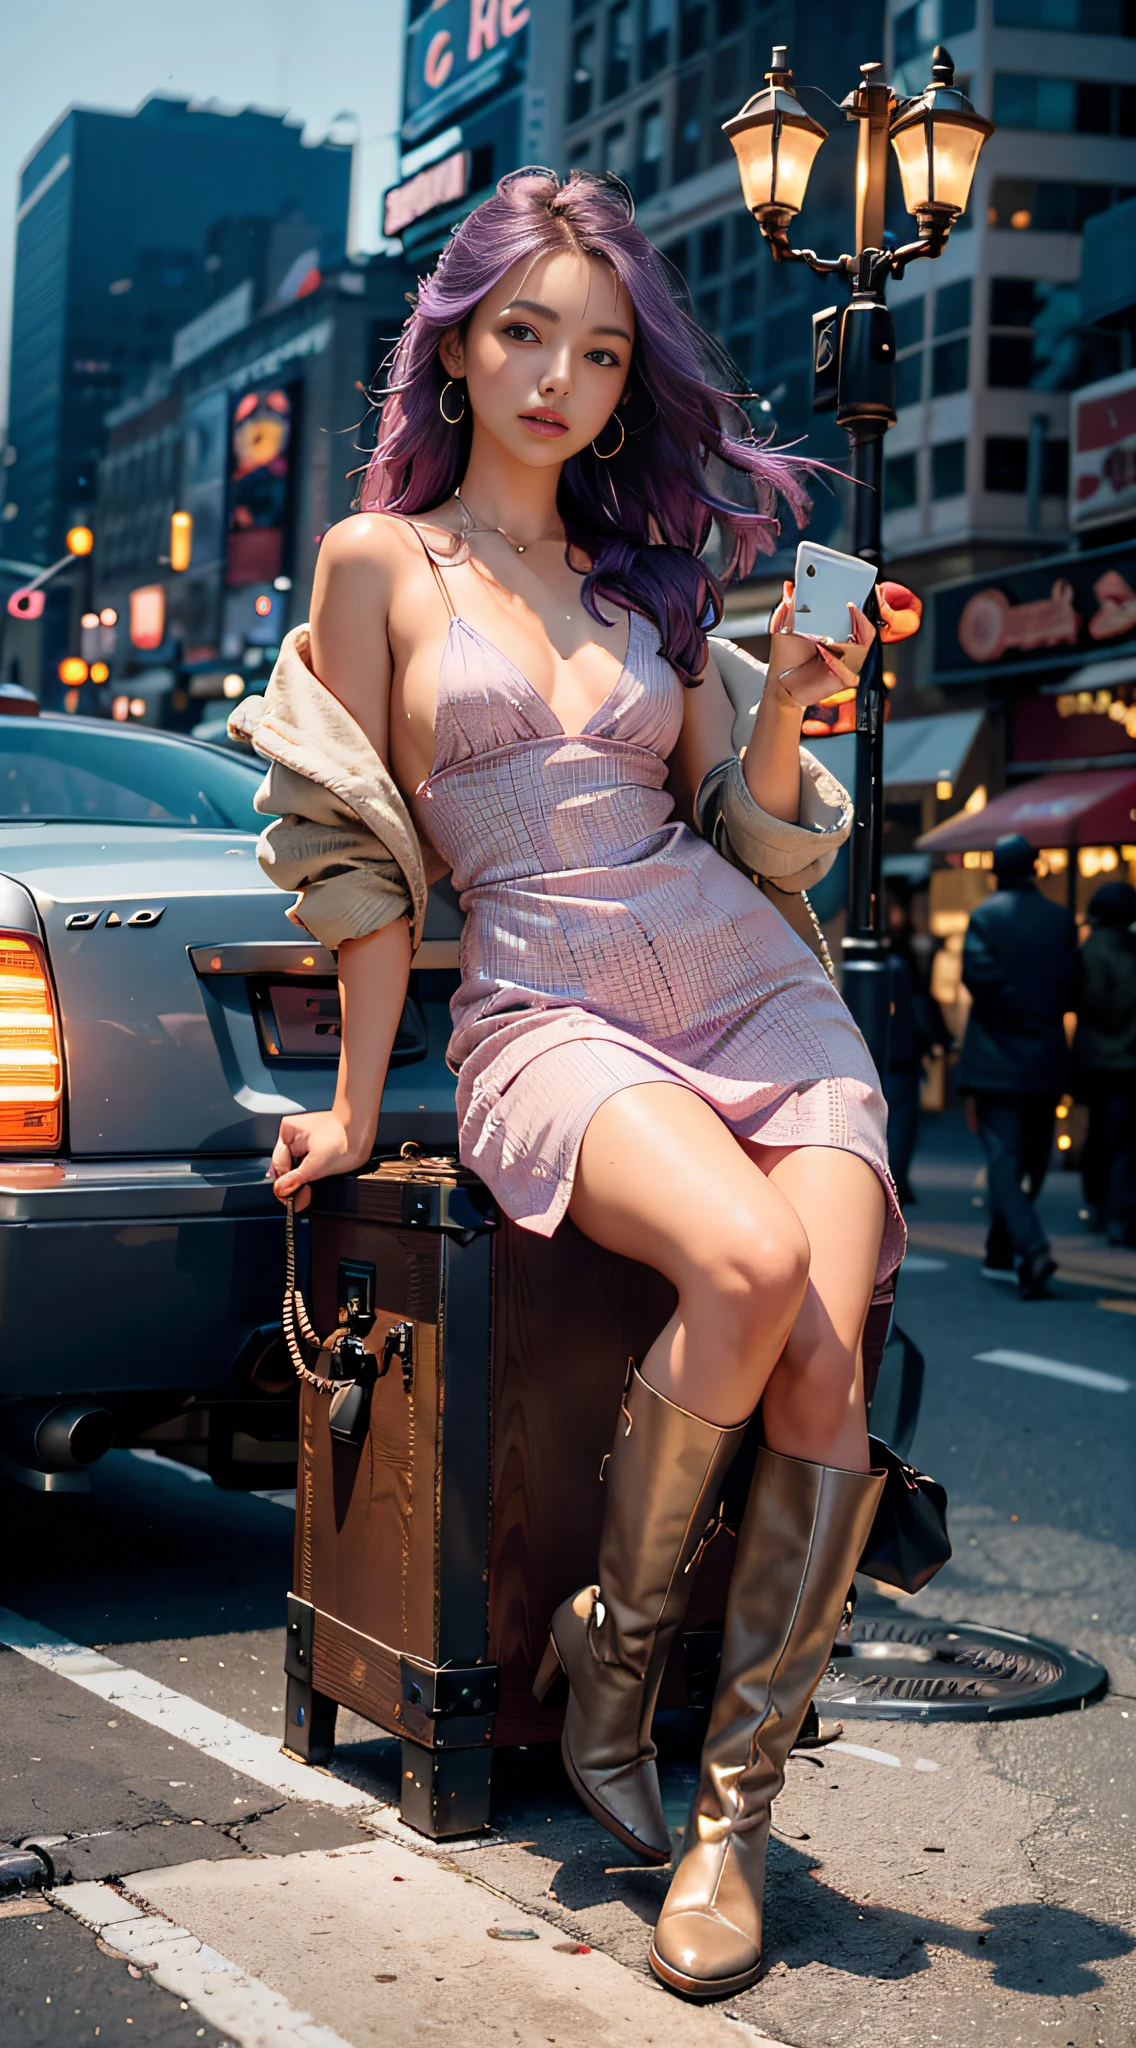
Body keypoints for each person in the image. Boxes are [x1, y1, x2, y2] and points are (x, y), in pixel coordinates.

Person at [251, 170, 905, 2003]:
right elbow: (363, 854)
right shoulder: (379, 562)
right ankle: (611, 1650)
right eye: (524, 332)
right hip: (546, 1001)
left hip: (749, 981)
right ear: (455, 344)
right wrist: (364, 1100)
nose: (558, 376)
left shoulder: (656, 585)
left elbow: (753, 829)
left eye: (599, 350)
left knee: (828, 1332)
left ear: (628, 385)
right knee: (749, 1271)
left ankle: (728, 1816)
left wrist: (788, 699)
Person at [958, 832, 1078, 1298]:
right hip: (1045, 1055)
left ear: (996, 872)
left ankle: (1029, 1247)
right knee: (1033, 1158)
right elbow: (1072, 985)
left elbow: (978, 977)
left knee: (1004, 1160)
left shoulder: (986, 917)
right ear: (1035, 868)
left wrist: (1015, 1011)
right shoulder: (1060, 920)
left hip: (996, 1056)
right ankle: (1002, 1249)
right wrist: (1039, 1013)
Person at [1071, 879, 1136, 1245]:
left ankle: (1098, 1203)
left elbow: (1089, 1003)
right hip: (1129, 1059)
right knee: (1125, 1137)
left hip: (1096, 1057)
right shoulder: (1131, 948)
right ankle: (1120, 1209)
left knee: (1100, 1133)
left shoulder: (1090, 950)